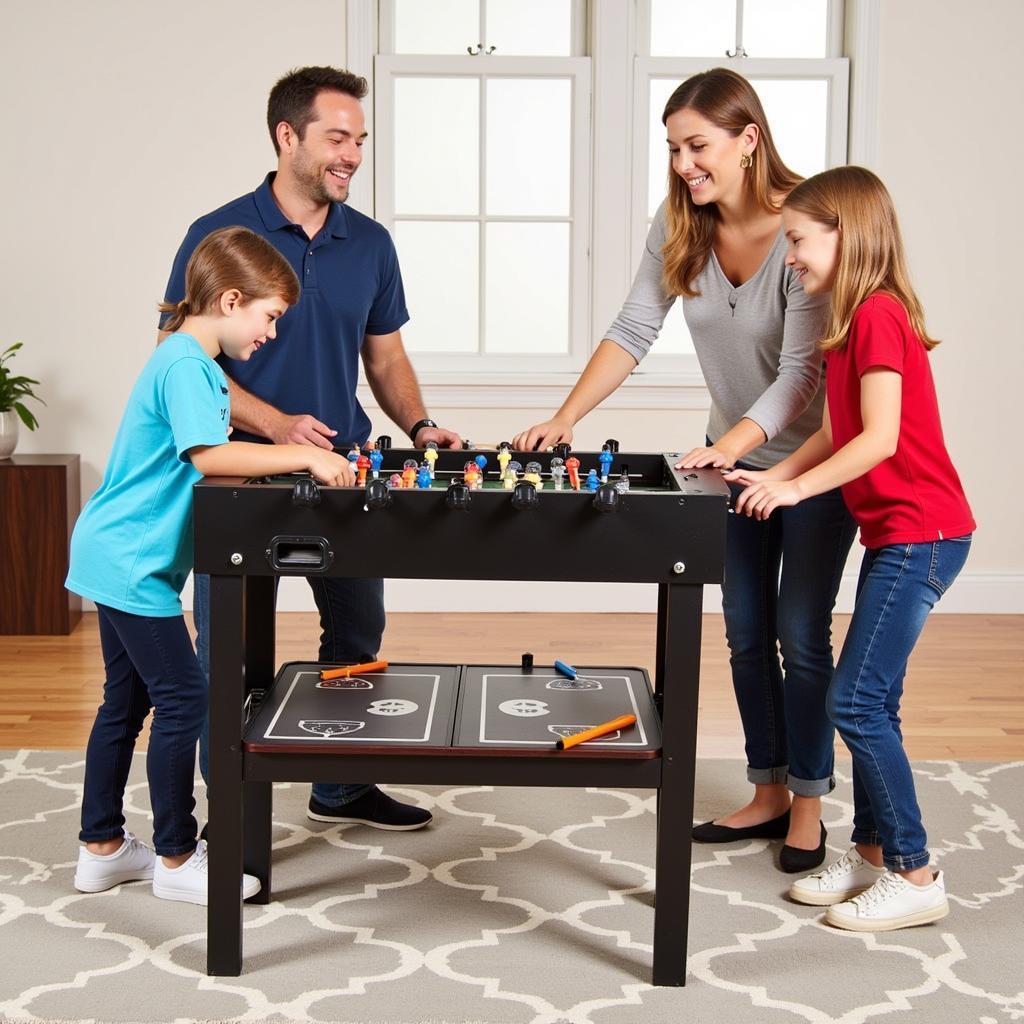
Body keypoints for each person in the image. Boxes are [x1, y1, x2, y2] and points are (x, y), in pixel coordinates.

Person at [514, 68, 856, 871]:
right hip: (730, 465)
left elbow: (803, 373)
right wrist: (567, 418)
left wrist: (738, 447)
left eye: (696, 145)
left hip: (809, 466)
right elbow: (633, 327)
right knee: (743, 634)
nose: (682, 164)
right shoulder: (678, 223)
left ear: (749, 139)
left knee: (801, 636)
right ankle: (768, 790)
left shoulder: (805, 222)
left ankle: (809, 803)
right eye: (672, 148)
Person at [161, 66, 462, 831]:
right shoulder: (220, 234)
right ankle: (228, 812)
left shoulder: (371, 242)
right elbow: (180, 361)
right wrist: (274, 425)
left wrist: (421, 427)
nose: (352, 154)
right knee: (228, 651)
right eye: (337, 137)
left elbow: (385, 358)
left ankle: (341, 784)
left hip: (346, 473)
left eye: (359, 140)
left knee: (358, 635)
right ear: (287, 137)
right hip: (241, 477)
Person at [69, 227, 356, 904]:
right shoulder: (189, 366)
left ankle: (102, 848)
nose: (271, 333)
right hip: (131, 561)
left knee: (128, 701)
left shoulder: (179, 359)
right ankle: (175, 860)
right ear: (231, 300)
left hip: (115, 552)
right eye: (269, 316)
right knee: (182, 698)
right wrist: (305, 455)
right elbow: (210, 456)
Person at [728, 166, 975, 929]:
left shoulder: (877, 315)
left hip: (925, 535)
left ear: (848, 232)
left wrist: (798, 494)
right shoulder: (851, 315)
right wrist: (773, 472)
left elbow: (881, 438)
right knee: (878, 698)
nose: (791, 257)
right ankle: (869, 852)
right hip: (900, 533)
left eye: (800, 240)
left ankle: (916, 870)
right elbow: (838, 428)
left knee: (856, 701)